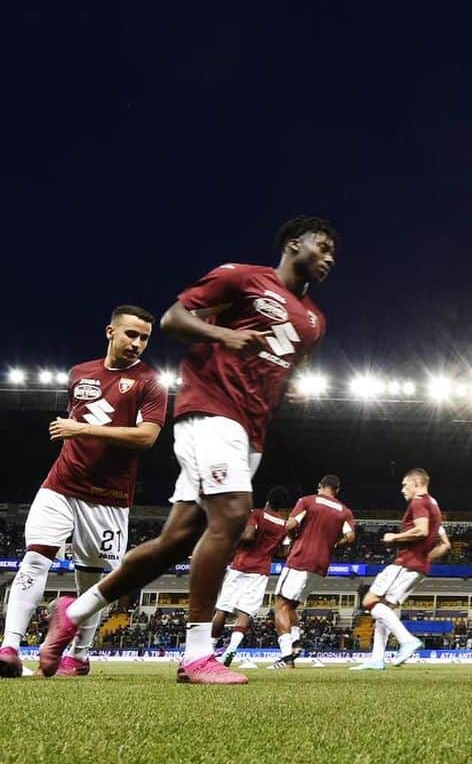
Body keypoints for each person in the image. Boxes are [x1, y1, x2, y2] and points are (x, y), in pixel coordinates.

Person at [39, 216, 337, 685]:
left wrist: (294, 385)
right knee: (233, 516)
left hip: (251, 433)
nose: (329, 257)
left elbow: (293, 363)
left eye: (334, 252)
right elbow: (176, 318)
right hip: (210, 411)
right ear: (294, 243)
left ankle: (73, 613)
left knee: (174, 541)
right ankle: (198, 653)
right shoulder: (242, 277)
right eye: (323, 246)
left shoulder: (315, 320)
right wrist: (226, 335)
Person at [0, 306, 166, 678]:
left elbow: (147, 436)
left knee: (93, 580)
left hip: (109, 498)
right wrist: (78, 434)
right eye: (131, 335)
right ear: (111, 331)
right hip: (61, 485)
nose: (137, 344)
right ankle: (9, 647)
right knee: (35, 559)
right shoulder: (79, 374)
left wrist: (84, 431)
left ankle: (79, 655)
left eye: (144, 338)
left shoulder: (151, 382)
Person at [352, 468, 451, 671]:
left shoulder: (419, 502)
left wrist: (394, 537)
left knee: (369, 601)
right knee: (385, 609)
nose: (402, 489)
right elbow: (446, 544)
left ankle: (407, 640)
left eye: (405, 484)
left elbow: (422, 530)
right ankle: (377, 659)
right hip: (419, 566)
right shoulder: (434, 505)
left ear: (416, 483)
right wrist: (425, 557)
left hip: (406, 563)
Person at [272, 475, 355, 668]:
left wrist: (292, 537)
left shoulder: (307, 501)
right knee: (291, 606)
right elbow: (350, 537)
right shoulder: (344, 511)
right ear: (337, 490)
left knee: (280, 605)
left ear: (320, 486)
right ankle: (296, 644)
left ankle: (286, 655)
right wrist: (335, 544)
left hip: (301, 557)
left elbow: (291, 524)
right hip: (321, 565)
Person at [211, 485, 290, 667]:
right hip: (261, 570)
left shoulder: (257, 514)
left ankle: (209, 649)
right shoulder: (284, 525)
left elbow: (248, 536)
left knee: (223, 608)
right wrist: (269, 549)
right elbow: (285, 552)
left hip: (241, 565)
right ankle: (232, 648)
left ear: (268, 500)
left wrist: (233, 539)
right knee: (245, 611)